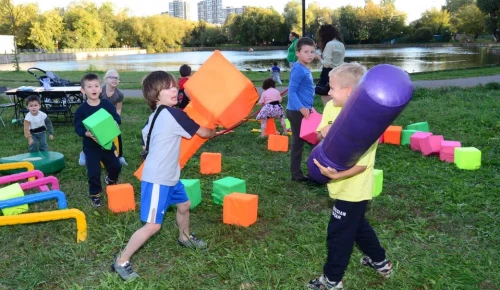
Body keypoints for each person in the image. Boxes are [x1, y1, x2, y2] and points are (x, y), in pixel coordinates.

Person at [112, 71, 215, 281]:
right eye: (168, 87)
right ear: (155, 95)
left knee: (184, 205)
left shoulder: (156, 115)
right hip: (158, 179)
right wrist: (215, 127)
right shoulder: (173, 114)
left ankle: (184, 237)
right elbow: (204, 132)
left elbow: (145, 136)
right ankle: (121, 260)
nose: (175, 90)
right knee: (153, 225)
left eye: (175, 86)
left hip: (170, 176)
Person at [307, 63, 393, 290]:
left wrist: (336, 176)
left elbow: (362, 165)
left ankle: (332, 280)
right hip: (339, 185)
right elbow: (317, 137)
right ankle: (381, 263)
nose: (328, 92)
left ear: (348, 91)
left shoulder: (367, 121)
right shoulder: (330, 108)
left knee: (339, 234)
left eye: (332, 88)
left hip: (354, 189)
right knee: (358, 227)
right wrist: (322, 133)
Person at [74, 73, 122, 207]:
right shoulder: (81, 110)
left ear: (100, 89)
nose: (93, 89)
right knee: (93, 172)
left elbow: (115, 118)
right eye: (89, 86)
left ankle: (111, 179)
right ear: (83, 91)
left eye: (96, 86)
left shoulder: (106, 105)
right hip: (91, 148)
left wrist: (116, 122)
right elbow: (77, 127)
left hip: (107, 145)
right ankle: (95, 194)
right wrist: (86, 133)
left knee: (116, 166)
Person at [78, 69, 127, 166]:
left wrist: (115, 121)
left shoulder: (119, 94)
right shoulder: (100, 92)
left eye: (117, 78)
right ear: (105, 80)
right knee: (93, 140)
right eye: (112, 77)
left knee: (115, 137)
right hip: (95, 119)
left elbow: (117, 110)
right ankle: (84, 153)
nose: (114, 80)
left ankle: (118, 156)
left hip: (109, 117)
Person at [286, 37, 316, 182]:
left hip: (304, 111)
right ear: (297, 53)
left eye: (312, 51)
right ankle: (298, 174)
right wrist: (302, 107)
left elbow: (305, 91)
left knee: (311, 141)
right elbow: (291, 92)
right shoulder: (298, 69)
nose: (310, 55)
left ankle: (313, 173)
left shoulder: (304, 68)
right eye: (306, 52)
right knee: (300, 142)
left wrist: (309, 107)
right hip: (297, 112)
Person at [315, 24, 346, 106]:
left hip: (327, 74)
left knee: (327, 102)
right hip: (338, 73)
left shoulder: (329, 44)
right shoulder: (341, 44)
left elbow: (327, 63)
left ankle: (329, 117)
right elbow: (340, 61)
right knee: (335, 100)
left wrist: (318, 57)